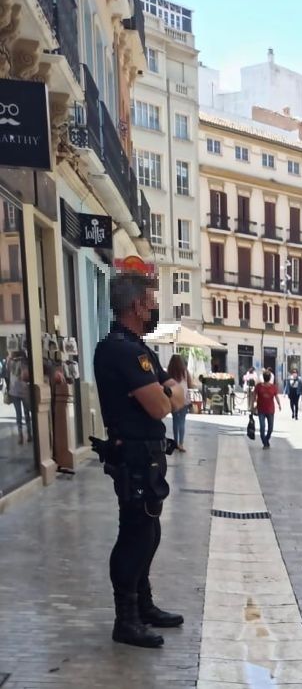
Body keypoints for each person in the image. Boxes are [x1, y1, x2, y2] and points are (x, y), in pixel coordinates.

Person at [93, 272, 186, 649]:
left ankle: (143, 606)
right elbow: (163, 404)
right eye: (151, 303)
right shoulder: (121, 349)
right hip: (133, 456)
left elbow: (179, 390)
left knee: (149, 532)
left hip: (146, 456)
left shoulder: (139, 349)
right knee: (135, 535)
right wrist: (168, 393)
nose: (154, 309)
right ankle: (126, 618)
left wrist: (169, 393)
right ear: (136, 306)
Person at [167, 354, 193, 452]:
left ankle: (175, 443)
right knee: (182, 422)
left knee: (175, 421)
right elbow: (190, 385)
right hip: (184, 399)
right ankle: (181, 444)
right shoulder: (185, 372)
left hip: (173, 398)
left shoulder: (169, 372)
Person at [7, 350, 31, 445]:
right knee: (27, 413)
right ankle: (29, 434)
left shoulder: (10, 363)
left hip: (14, 391)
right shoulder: (25, 363)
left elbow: (7, 374)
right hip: (24, 391)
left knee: (18, 414)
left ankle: (20, 435)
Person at [255, 369, 280, 447]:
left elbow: (276, 396)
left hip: (268, 410)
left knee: (267, 428)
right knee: (265, 428)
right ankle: (265, 442)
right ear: (269, 378)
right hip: (263, 410)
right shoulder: (259, 386)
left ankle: (265, 440)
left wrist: (253, 404)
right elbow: (276, 397)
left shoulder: (272, 387)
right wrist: (279, 404)